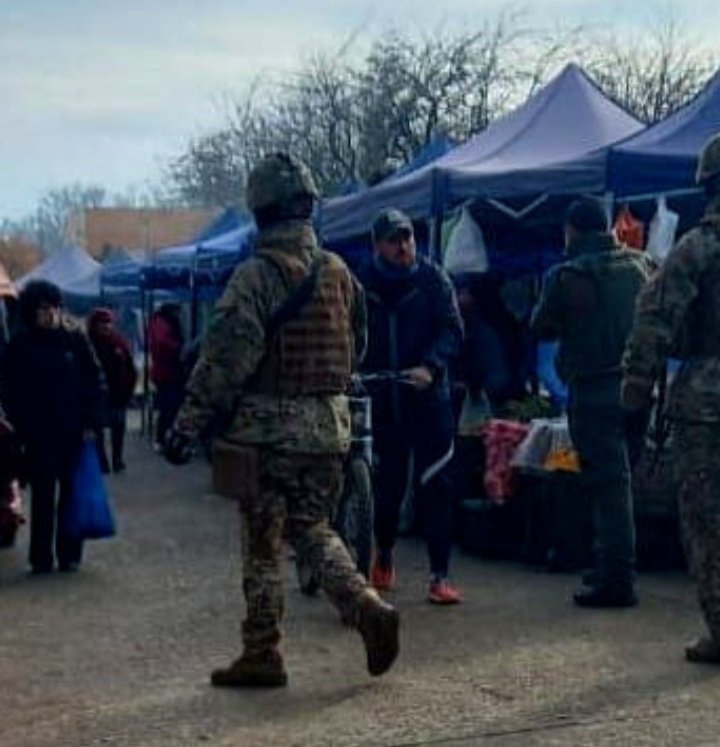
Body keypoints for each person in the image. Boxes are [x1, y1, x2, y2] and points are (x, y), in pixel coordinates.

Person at [163, 152, 400, 688]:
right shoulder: (339, 272)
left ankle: (262, 653)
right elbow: (356, 343)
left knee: (264, 544)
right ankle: (364, 603)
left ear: (261, 211)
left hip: (268, 436)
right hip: (330, 429)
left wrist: (186, 425)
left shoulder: (256, 276)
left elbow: (225, 359)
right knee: (314, 528)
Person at [622, 132, 720, 661]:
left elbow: (655, 321)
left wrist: (635, 391)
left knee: (708, 522)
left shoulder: (697, 248)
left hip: (707, 401)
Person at [531, 197, 651, 607]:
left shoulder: (567, 276)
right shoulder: (643, 265)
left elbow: (541, 326)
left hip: (594, 390)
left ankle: (617, 580)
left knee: (608, 486)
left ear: (572, 231)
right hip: (639, 388)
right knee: (623, 481)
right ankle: (610, 566)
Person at [358, 208, 464, 605]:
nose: (404, 245)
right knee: (387, 488)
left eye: (408, 237)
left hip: (428, 399)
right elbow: (350, 329)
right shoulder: (361, 283)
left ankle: (440, 575)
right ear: (378, 245)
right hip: (384, 399)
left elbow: (453, 329)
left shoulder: (433, 279)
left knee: (436, 486)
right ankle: (383, 553)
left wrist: (431, 367)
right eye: (394, 239)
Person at [0, 280, 105, 574]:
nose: (49, 315)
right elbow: (8, 388)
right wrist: (18, 426)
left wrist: (91, 422)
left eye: (53, 308)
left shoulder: (74, 339)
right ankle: (41, 556)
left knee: (71, 496)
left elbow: (94, 381)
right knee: (44, 497)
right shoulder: (20, 346)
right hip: (38, 435)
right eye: (43, 309)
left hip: (73, 430)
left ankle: (69, 554)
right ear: (32, 311)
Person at [87, 307, 137, 473]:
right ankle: (102, 461)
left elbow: (130, 368)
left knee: (118, 427)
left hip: (118, 394)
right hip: (97, 395)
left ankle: (117, 458)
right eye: (103, 323)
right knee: (99, 430)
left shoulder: (119, 342)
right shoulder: (88, 345)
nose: (106, 326)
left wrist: (129, 389)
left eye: (109, 322)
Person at [148, 302, 185, 452]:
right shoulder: (161, 324)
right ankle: (161, 439)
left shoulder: (159, 323)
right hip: (166, 373)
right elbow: (162, 343)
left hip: (168, 372)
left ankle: (165, 438)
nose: (178, 314)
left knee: (171, 407)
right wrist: (179, 348)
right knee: (168, 407)